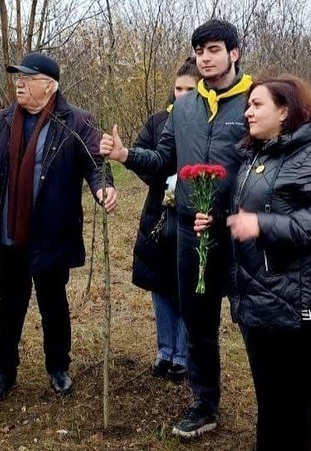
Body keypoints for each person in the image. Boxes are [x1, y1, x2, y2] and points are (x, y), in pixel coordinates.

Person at [100, 19, 252, 438]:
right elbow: (164, 159)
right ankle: (203, 403)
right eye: (199, 50)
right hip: (191, 230)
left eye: (214, 49)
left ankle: (275, 405)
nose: (205, 57)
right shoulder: (182, 108)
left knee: (254, 320)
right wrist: (126, 154)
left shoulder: (256, 101)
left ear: (234, 53)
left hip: (242, 231)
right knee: (198, 321)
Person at [194, 75, 311, 450]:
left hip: (294, 301)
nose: (247, 111)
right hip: (259, 296)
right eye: (248, 104)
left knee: (290, 405)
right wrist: (220, 221)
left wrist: (261, 225)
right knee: (270, 401)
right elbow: (261, 206)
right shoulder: (259, 151)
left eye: (256, 104)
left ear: (284, 110)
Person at [0, 52, 117, 403]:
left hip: (53, 230)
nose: (19, 83)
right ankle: (3, 370)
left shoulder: (76, 121)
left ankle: (58, 366)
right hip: (11, 231)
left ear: (49, 85)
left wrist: (103, 187)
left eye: (27, 78)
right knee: (10, 303)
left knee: (53, 302)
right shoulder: (4, 120)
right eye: (17, 78)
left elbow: (95, 161)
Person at [132, 56, 201, 383]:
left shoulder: (207, 123)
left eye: (190, 89)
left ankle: (184, 355)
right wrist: (163, 181)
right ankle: (164, 350)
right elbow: (143, 155)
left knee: (185, 285)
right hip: (159, 213)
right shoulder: (159, 120)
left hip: (193, 215)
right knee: (159, 282)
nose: (182, 94)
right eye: (178, 88)